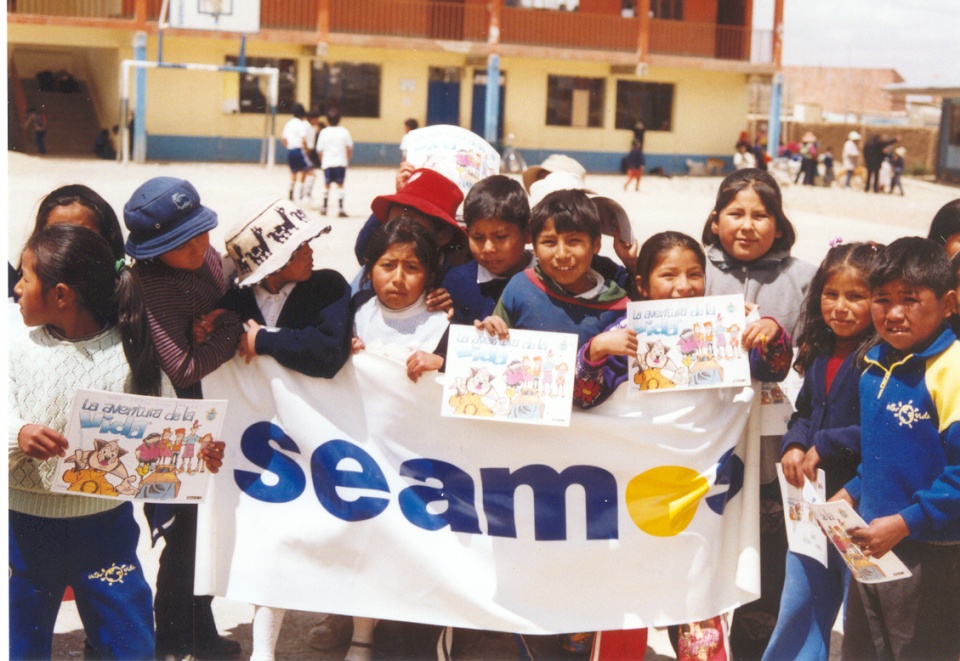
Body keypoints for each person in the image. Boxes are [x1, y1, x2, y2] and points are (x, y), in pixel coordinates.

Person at [572, 230, 792, 660]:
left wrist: (769, 330)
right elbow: (583, 399)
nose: (683, 286)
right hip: (632, 494)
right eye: (668, 275)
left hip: (699, 495)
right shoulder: (624, 334)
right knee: (626, 598)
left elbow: (774, 367)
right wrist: (596, 350)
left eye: (694, 274)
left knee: (696, 597)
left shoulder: (725, 326)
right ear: (642, 285)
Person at [9, 225, 171, 659]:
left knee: (129, 640)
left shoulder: (132, 349)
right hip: (24, 528)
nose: (16, 287)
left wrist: (195, 453)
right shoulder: (13, 345)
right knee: (20, 641)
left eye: (25, 277)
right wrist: (16, 434)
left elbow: (165, 427)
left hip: (105, 528)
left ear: (61, 295)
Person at [220, 198, 351, 661]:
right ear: (270, 263)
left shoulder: (329, 286)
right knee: (266, 534)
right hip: (256, 437)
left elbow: (328, 352)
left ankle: (357, 634)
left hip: (319, 432)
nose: (311, 251)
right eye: (298, 247)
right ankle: (264, 649)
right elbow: (219, 341)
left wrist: (264, 340)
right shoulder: (233, 300)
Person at [124, 176, 244, 660]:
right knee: (182, 532)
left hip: (218, 413)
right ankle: (173, 636)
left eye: (202, 231)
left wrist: (220, 316)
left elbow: (226, 297)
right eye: (184, 240)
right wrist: (233, 328)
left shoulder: (207, 258)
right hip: (176, 426)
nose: (200, 245)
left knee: (208, 527)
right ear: (155, 249)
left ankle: (199, 626)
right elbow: (184, 366)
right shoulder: (148, 288)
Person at [700, 167, 816, 658]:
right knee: (701, 546)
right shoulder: (693, 266)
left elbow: (814, 352)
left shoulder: (804, 277)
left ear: (779, 222)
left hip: (771, 450)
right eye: (735, 213)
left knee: (765, 558)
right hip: (702, 443)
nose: (746, 225)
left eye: (760, 215)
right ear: (714, 220)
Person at [833, 237, 960, 660]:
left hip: (931, 552)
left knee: (919, 649)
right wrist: (853, 489)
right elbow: (883, 455)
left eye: (910, 299)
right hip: (873, 543)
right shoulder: (874, 366)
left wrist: (907, 522)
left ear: (948, 304)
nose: (894, 313)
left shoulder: (951, 370)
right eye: (882, 300)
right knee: (864, 647)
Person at [763, 242, 882, 661]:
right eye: (831, 295)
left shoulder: (884, 360)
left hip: (860, 502)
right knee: (800, 603)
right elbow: (807, 410)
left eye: (856, 296)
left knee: (862, 616)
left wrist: (825, 443)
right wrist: (795, 442)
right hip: (812, 504)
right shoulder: (819, 350)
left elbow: (882, 430)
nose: (841, 307)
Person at [477, 188, 629, 348]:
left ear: (596, 244)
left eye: (574, 241)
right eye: (549, 242)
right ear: (534, 247)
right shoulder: (520, 288)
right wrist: (490, 330)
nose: (562, 254)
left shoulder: (617, 308)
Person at [353, 215, 450, 385]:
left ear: (429, 276)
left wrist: (443, 363)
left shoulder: (443, 324)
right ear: (369, 270)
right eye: (388, 265)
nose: (398, 278)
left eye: (412, 267)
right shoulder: (355, 312)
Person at [442, 174, 533, 325]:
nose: (488, 248)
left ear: (528, 233)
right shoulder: (457, 283)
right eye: (478, 237)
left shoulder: (549, 281)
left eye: (501, 236)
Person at [316, 108, 354, 217]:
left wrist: (322, 161)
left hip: (327, 162)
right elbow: (349, 148)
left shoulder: (324, 132)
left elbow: (319, 150)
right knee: (340, 185)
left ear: (327, 120)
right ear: (339, 119)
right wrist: (346, 160)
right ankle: (341, 209)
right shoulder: (344, 131)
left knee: (326, 185)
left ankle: (324, 207)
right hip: (340, 162)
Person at [280, 103, 312, 203]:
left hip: (290, 150)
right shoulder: (301, 124)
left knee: (293, 172)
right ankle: (301, 193)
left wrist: (289, 146)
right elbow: (303, 139)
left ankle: (290, 192)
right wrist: (306, 150)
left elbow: (283, 139)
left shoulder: (289, 124)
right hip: (299, 149)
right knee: (305, 170)